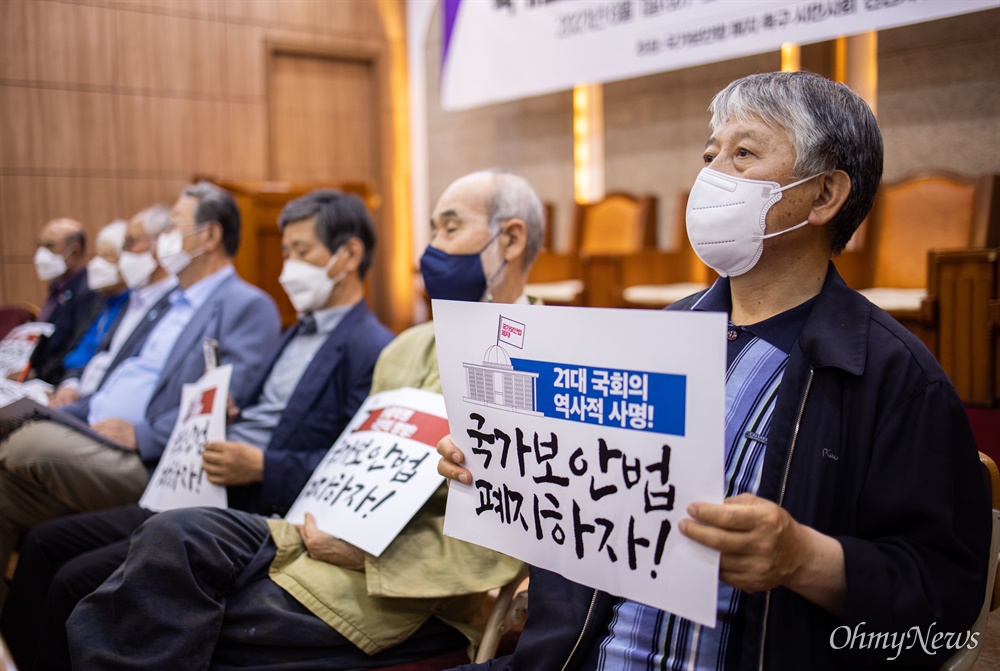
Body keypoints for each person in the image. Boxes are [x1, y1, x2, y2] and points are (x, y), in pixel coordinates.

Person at [437, 72, 990, 670]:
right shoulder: (642, 343)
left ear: (825, 194)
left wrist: (805, 558)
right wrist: (503, 465)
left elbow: (943, 605)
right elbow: (586, 512)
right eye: (710, 155)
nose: (710, 175)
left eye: (743, 154)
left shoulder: (893, 377)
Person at [67, 169, 544, 670]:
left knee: (157, 616)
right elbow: (354, 461)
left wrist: (369, 556)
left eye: (448, 229)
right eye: (431, 230)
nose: (430, 248)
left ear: (510, 239)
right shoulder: (406, 348)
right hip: (307, 533)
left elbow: (505, 539)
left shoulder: (535, 363)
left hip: (402, 593)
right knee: (173, 537)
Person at [1, 189, 395, 671]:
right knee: (45, 544)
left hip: (252, 502)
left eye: (301, 252)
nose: (286, 266)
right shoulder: (296, 330)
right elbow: (258, 408)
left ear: (349, 254)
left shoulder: (372, 347)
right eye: (286, 251)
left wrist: (262, 465)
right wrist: (223, 410)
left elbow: (353, 461)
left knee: (73, 579)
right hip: (201, 478)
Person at [0, 182, 282, 580]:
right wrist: (67, 410)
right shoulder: (167, 301)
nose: (166, 240)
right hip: (90, 428)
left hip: (147, 457)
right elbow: (116, 371)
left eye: (175, 227)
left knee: (28, 444)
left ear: (210, 235)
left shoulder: (246, 305)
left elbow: (221, 405)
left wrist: (144, 434)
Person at [49, 205, 177, 408]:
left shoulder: (172, 303)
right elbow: (98, 354)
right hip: (82, 397)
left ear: (160, 245)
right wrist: (70, 384)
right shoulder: (133, 299)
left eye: (129, 244)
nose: (124, 254)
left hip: (107, 409)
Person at [47, 220, 130, 388]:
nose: (96, 264)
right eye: (97, 255)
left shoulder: (130, 307)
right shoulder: (100, 304)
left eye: (106, 256)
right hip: (67, 380)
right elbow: (77, 349)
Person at [29, 218, 100, 383]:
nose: (40, 254)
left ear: (74, 253)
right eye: (39, 245)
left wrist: (39, 375)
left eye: (49, 246)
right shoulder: (58, 287)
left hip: (57, 382)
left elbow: (73, 346)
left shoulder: (87, 290)